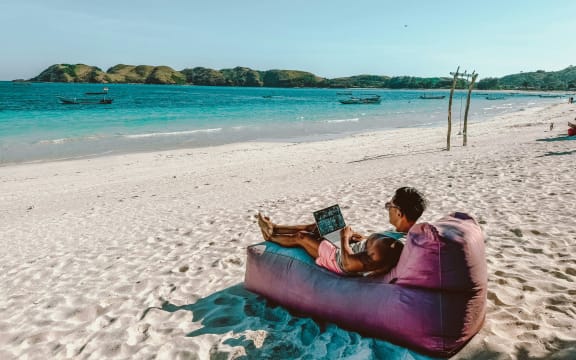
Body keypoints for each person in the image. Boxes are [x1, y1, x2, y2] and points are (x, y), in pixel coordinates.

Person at [257, 187, 427, 276]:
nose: (387, 208)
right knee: (323, 223)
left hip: (339, 259)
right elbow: (374, 247)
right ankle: (276, 227)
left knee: (302, 237)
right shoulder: (405, 234)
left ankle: (270, 236)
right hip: (354, 248)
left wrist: (345, 239)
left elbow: (348, 265)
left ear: (399, 213)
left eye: (389, 205)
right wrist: (361, 238)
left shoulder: (387, 247)